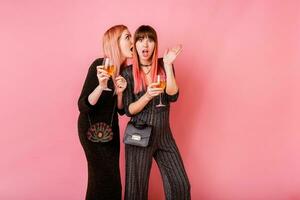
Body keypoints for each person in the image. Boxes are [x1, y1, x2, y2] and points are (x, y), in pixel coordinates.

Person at [122, 25, 191, 200]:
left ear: (155, 44)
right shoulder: (128, 73)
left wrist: (168, 65)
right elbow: (128, 110)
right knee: (135, 191)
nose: (146, 43)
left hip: (164, 135)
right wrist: (146, 96)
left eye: (150, 39)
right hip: (139, 135)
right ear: (135, 45)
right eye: (140, 39)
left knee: (180, 184)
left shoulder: (163, 64)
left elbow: (173, 96)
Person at [77, 24, 133, 200]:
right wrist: (101, 86)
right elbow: (83, 105)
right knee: (100, 178)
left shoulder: (123, 72)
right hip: (91, 130)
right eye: (127, 37)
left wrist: (121, 92)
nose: (132, 40)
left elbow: (120, 111)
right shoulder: (99, 65)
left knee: (113, 179)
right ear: (115, 43)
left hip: (110, 131)